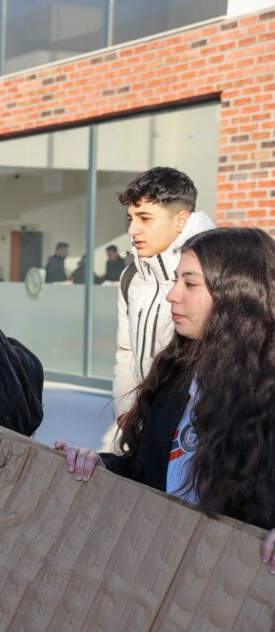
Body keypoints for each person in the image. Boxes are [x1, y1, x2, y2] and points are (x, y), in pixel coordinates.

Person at [55, 227, 275, 572]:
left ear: (238, 294)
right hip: (157, 571)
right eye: (175, 281)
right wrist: (100, 465)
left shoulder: (266, 395)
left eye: (190, 284)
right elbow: (146, 472)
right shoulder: (175, 374)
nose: (172, 295)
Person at [113, 167, 214, 419]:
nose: (132, 230)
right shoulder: (132, 277)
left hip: (196, 427)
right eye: (130, 218)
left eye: (145, 219)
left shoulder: (217, 274)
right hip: (141, 422)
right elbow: (126, 351)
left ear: (180, 221)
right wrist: (125, 411)